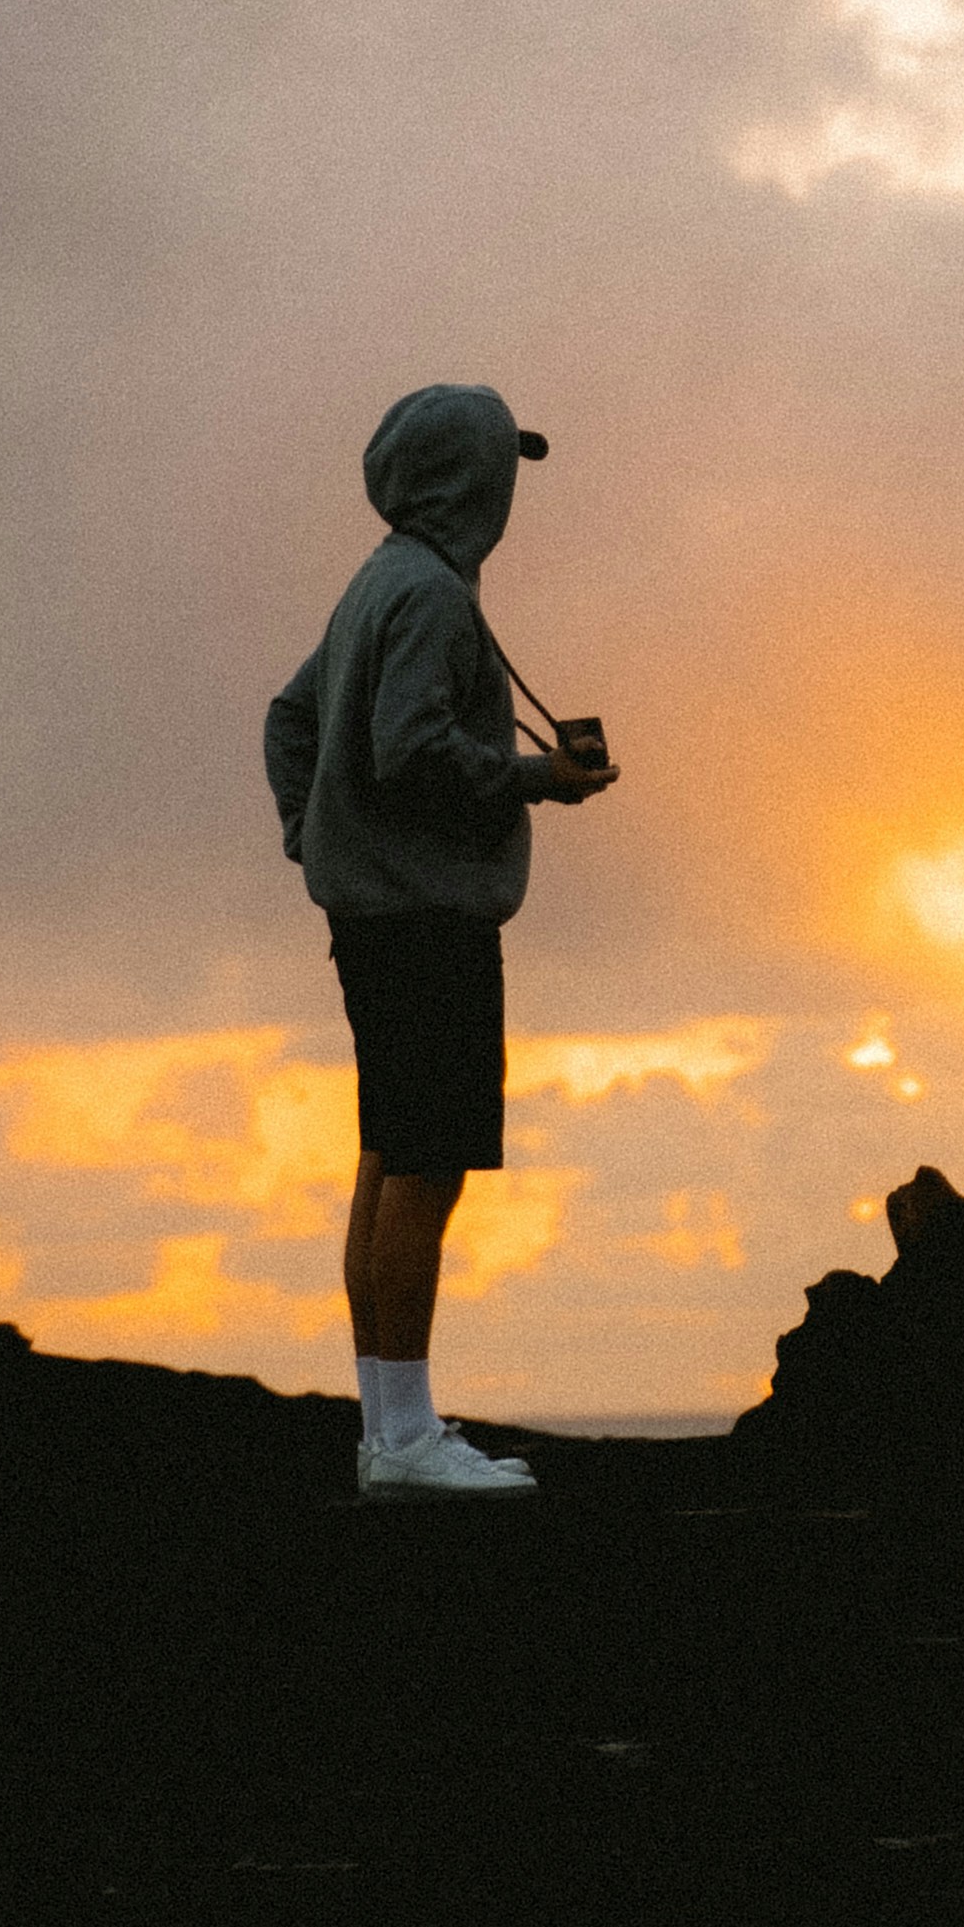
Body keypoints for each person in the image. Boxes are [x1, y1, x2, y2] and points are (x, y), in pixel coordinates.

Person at [264, 383, 619, 1497]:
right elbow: (406, 746)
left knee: (388, 1158)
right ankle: (409, 1440)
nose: (511, 489)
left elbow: (290, 719)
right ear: (471, 483)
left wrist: (317, 838)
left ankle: (387, 1428)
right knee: (425, 1168)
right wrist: (537, 782)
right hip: (423, 918)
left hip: (376, 912)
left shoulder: (379, 581)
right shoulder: (428, 596)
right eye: (500, 469)